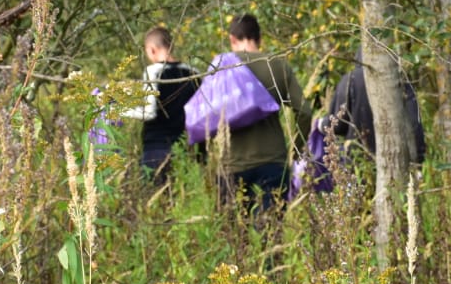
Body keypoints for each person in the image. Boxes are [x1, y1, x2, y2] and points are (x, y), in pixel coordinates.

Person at [214, 14, 311, 212]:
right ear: (260, 38)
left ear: (232, 39)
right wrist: (296, 150)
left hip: (232, 163)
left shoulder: (221, 67)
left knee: (234, 236)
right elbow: (305, 112)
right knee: (271, 232)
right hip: (273, 159)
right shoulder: (277, 65)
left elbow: (205, 115)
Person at [123, 25, 200, 185]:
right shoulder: (194, 72)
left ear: (152, 50)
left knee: (156, 197)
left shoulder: (154, 72)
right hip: (189, 148)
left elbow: (149, 113)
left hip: (157, 148)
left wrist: (120, 110)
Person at [329, 51, 427, 164]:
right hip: (395, 161)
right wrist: (418, 157)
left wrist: (320, 124)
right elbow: (414, 122)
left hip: (357, 162)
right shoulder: (399, 79)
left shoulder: (349, 80)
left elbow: (337, 126)